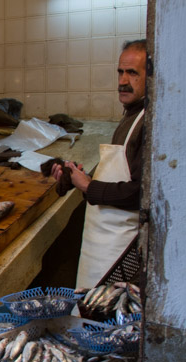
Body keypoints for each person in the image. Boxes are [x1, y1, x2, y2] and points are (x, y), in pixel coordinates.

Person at [52, 39, 147, 289]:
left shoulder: (149, 122)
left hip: (120, 251)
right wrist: (75, 176)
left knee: (105, 316)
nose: (123, 81)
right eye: (120, 72)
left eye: (132, 73)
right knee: (88, 311)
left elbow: (142, 194)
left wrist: (88, 186)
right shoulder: (132, 115)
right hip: (101, 244)